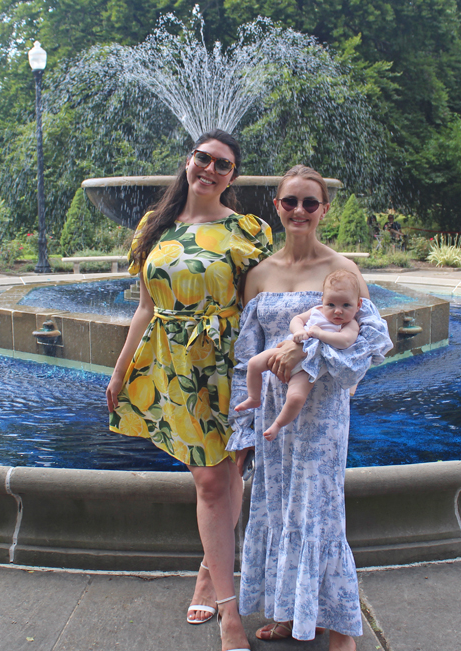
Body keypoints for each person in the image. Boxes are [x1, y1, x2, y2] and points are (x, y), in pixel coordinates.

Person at [105, 129, 272, 651]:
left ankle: (209, 571)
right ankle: (230, 614)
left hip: (231, 363)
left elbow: (271, 298)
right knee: (209, 482)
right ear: (188, 160)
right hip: (177, 367)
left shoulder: (247, 231)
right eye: (203, 158)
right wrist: (119, 370)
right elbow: (145, 308)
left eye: (223, 165)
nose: (209, 169)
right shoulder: (153, 229)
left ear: (232, 178)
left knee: (231, 473)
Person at [226, 165, 392, 651]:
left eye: (310, 203)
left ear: (324, 209)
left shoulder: (341, 271)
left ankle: (340, 626)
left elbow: (371, 345)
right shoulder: (259, 275)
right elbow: (245, 359)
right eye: (290, 202)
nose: (300, 211)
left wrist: (309, 351)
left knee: (319, 511)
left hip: (321, 416)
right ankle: (292, 613)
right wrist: (244, 430)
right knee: (278, 509)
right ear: (276, 206)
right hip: (272, 415)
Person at [235, 269, 362, 441]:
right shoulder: (317, 311)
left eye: (346, 305)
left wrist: (319, 334)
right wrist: (299, 331)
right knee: (254, 363)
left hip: (308, 368)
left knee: (295, 397)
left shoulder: (350, 324)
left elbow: (345, 341)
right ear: (323, 301)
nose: (337, 311)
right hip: (287, 349)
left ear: (358, 305)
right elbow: (296, 320)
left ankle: (278, 424)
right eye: (331, 305)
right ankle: (253, 397)